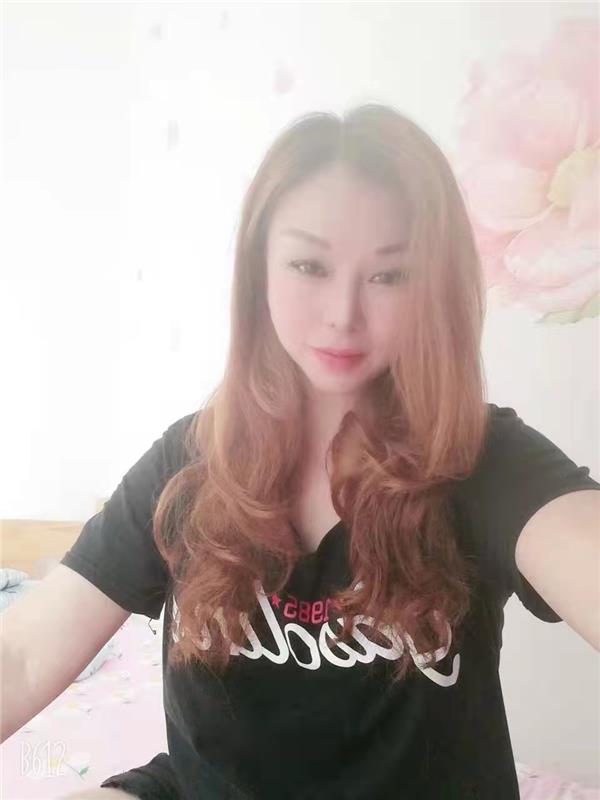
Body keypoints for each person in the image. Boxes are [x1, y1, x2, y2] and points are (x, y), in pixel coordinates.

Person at [2, 103, 599, 800]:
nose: (343, 314)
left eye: (389, 275)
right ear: (259, 269)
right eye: (310, 265)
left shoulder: (481, 460)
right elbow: (22, 654)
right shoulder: (189, 463)